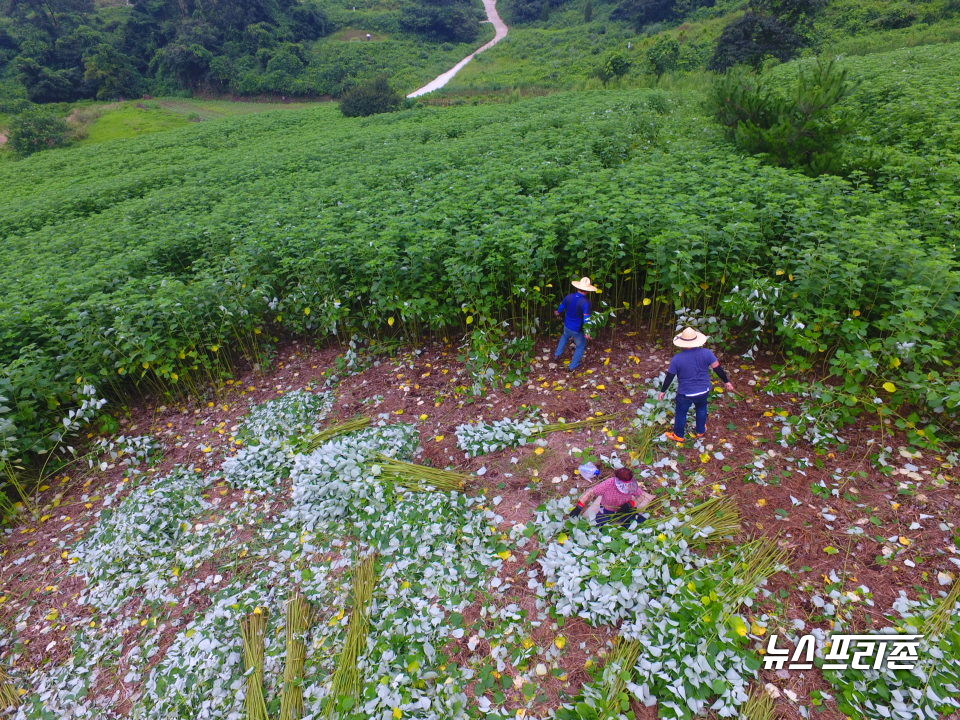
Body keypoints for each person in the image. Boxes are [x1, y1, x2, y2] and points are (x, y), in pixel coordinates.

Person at [658, 327, 734, 443]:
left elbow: (670, 376)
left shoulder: (677, 359)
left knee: (681, 413)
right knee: (702, 409)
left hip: (685, 393)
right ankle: (700, 431)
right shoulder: (707, 353)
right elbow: (717, 369)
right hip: (703, 390)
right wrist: (726, 382)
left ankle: (678, 435)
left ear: (682, 343)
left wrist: (663, 391)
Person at [568, 467, 654, 526]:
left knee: (635, 522)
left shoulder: (631, 485)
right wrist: (579, 506)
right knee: (599, 526)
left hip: (624, 509)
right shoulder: (608, 483)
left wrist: (631, 503)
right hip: (607, 509)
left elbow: (641, 496)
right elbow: (591, 492)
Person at [554, 276, 598, 372]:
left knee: (564, 337)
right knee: (581, 346)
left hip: (567, 325)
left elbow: (562, 307)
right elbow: (587, 318)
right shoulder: (586, 303)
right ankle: (573, 366)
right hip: (577, 329)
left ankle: (557, 355)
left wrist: (558, 312)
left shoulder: (569, 296)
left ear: (578, 287)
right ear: (587, 291)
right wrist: (587, 332)